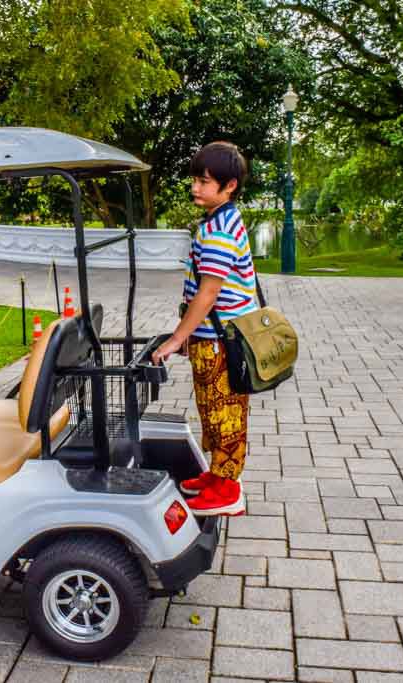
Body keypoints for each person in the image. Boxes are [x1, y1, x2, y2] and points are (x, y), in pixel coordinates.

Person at [151, 141, 257, 516]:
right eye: (195, 179)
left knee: (225, 411)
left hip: (222, 341)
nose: (196, 187)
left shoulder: (219, 231)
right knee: (212, 408)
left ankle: (227, 489)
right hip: (211, 337)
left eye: (205, 181)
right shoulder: (219, 220)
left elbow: (209, 292)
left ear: (229, 186)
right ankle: (216, 475)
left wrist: (178, 336)